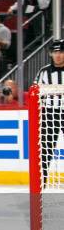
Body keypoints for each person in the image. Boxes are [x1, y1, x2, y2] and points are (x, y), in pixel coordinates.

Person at [33, 39, 64, 181]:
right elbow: (35, 93)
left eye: (61, 52)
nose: (58, 55)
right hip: (50, 114)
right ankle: (41, 183)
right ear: (51, 54)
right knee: (45, 150)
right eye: (55, 52)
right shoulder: (44, 72)